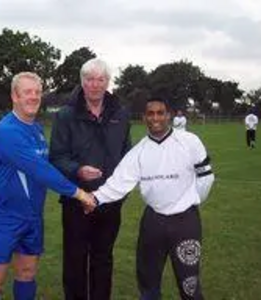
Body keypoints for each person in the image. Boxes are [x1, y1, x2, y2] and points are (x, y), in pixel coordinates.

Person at [0, 72, 96, 300]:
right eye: (27, 92)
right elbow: (39, 170)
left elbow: (47, 166)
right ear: (15, 96)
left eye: (37, 92)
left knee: (27, 274)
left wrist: (78, 170)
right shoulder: (6, 132)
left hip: (31, 217)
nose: (33, 97)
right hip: (3, 218)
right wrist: (80, 194)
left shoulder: (37, 130)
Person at [92, 96, 215, 299]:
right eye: (150, 113)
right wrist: (94, 199)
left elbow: (206, 178)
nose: (155, 118)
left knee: (189, 283)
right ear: (144, 117)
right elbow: (118, 183)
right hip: (153, 222)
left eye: (160, 113)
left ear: (169, 115)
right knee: (148, 281)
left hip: (186, 222)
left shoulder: (189, 141)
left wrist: (189, 202)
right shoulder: (139, 151)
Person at [49, 58, 131, 300]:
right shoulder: (66, 115)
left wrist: (120, 193)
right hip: (76, 201)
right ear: (82, 82)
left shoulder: (121, 114)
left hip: (110, 201)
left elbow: (128, 158)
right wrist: (77, 170)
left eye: (100, 79)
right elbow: (57, 157)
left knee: (103, 259)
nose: (95, 84)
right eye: (89, 79)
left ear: (108, 82)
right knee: (74, 260)